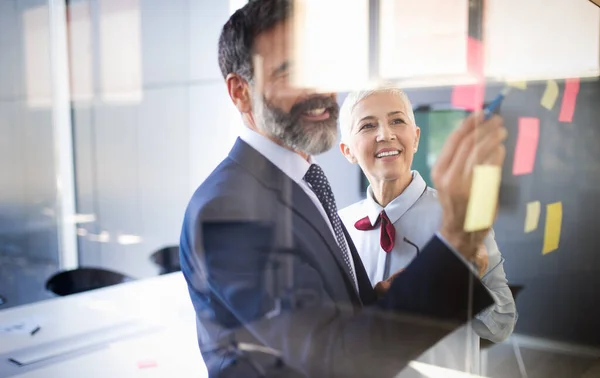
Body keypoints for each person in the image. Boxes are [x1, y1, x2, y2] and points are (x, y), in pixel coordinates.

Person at [179, 0, 507, 377]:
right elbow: (334, 361)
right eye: (292, 72)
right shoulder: (229, 209)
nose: (319, 91)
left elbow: (326, 323)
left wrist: (379, 301)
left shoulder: (304, 183)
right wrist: (456, 241)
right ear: (240, 91)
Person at [338, 86, 517, 374]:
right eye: (368, 125)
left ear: (416, 137)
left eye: (397, 121)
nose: (386, 134)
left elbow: (502, 325)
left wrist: (464, 281)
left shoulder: (459, 217)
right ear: (348, 151)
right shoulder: (338, 225)